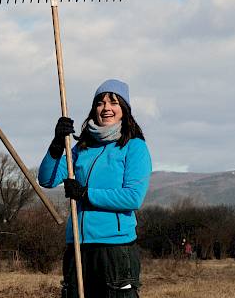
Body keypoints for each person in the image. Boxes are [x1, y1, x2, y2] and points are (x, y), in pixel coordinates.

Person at [38, 79, 152, 298]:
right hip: (78, 247)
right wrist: (55, 145)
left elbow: (133, 197)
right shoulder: (82, 148)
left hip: (115, 250)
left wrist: (85, 194)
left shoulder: (134, 147)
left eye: (113, 102)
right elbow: (46, 179)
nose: (106, 107)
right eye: (100, 103)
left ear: (124, 110)